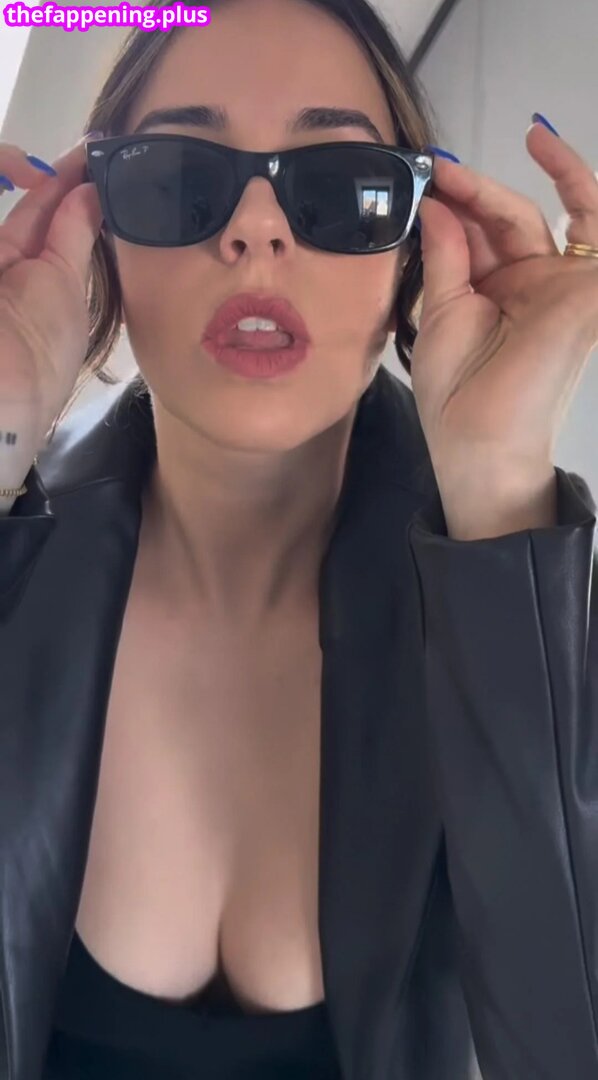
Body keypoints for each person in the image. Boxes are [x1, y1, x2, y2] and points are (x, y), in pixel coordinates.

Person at [0, 0, 597, 1077]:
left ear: (413, 250)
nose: (256, 229)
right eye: (180, 176)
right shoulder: (17, 569)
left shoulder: (511, 610)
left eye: (339, 187)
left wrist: (500, 487)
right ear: (99, 233)